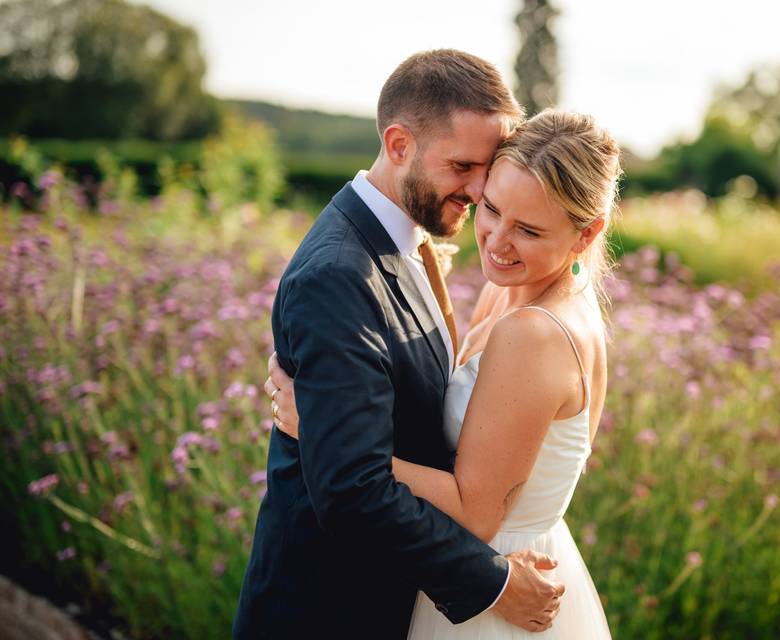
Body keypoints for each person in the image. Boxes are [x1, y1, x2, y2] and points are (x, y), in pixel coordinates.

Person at [232, 50, 568, 639]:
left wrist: (321, 426)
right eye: (462, 165)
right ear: (398, 145)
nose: (478, 188)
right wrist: (493, 582)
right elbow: (352, 490)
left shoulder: (409, 239)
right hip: (324, 610)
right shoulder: (338, 274)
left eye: (485, 167)